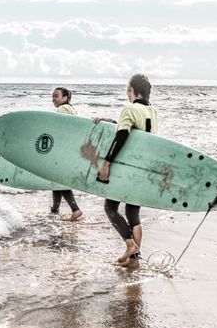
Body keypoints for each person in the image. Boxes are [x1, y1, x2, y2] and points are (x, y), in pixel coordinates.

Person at [93, 73, 157, 268]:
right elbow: (136, 132)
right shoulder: (152, 111)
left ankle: (130, 245)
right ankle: (134, 260)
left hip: (127, 169)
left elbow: (121, 136)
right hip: (143, 169)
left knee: (110, 208)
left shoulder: (129, 108)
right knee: (132, 213)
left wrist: (107, 162)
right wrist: (111, 121)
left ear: (131, 90)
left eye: (127, 89)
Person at [50, 87, 83, 220]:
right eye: (52, 96)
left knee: (58, 181)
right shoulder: (72, 109)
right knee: (55, 180)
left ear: (65, 98)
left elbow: (58, 129)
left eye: (56, 96)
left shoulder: (62, 109)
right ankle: (55, 209)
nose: (53, 98)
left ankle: (76, 210)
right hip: (69, 149)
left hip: (62, 150)